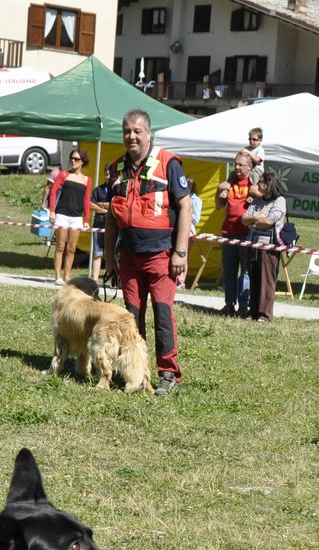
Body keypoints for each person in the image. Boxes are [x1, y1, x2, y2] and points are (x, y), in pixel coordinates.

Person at [99, 108, 193, 395]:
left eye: (137, 131)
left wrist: (180, 252)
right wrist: (109, 258)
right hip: (128, 256)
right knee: (130, 318)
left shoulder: (168, 163)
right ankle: (136, 374)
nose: (132, 136)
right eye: (127, 131)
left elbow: (185, 207)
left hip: (162, 256)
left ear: (148, 133)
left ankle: (168, 374)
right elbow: (111, 217)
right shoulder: (116, 169)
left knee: (162, 315)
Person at [242, 169, 287, 322]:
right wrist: (256, 218)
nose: (257, 184)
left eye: (260, 181)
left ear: (268, 184)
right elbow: (244, 219)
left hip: (269, 246)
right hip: (253, 244)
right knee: (254, 277)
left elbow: (269, 221)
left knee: (266, 280)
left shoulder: (279, 201)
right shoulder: (257, 200)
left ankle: (264, 314)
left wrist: (254, 221)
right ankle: (252, 311)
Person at [215, 150, 254, 315]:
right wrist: (219, 191)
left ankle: (244, 307)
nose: (237, 168)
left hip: (246, 234)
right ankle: (229, 304)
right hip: (228, 232)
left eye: (240, 165)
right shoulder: (229, 183)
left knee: (245, 271)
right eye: (235, 164)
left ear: (249, 167)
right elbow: (219, 206)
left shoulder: (254, 184)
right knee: (229, 270)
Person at [47, 147, 92, 284]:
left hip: (76, 217)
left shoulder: (87, 179)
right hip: (62, 214)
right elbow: (53, 192)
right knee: (60, 245)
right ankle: (57, 276)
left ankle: (67, 276)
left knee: (72, 248)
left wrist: (86, 219)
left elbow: (86, 200)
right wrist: (52, 211)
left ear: (82, 161)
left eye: (76, 158)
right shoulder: (64, 174)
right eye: (72, 158)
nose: (73, 160)